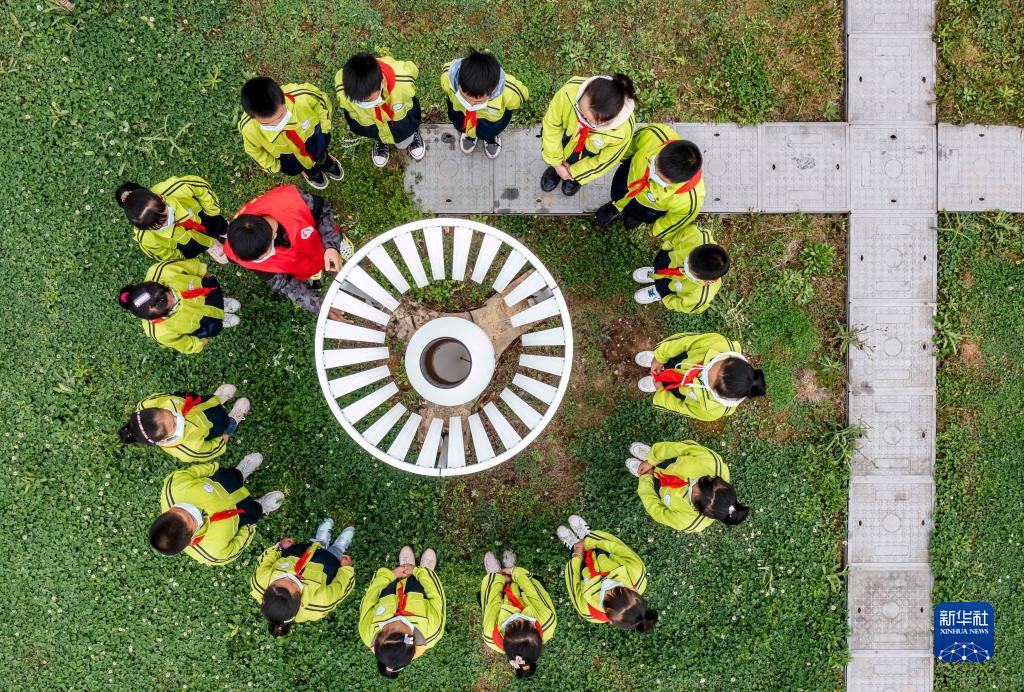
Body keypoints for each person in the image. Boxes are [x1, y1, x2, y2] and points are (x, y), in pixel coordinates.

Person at [224, 184, 354, 313]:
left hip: (315, 237)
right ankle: (313, 269)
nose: (262, 263)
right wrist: (321, 307)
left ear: (274, 236)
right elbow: (286, 286)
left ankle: (337, 244)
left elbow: (323, 212)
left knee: (328, 239)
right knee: (308, 266)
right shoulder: (241, 251)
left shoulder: (295, 201)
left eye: (264, 256)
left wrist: (331, 245)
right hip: (298, 263)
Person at [151, 454, 284, 566]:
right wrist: (249, 527)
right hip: (238, 516)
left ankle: (240, 473)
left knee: (231, 477)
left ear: (166, 512)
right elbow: (237, 545)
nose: (192, 508)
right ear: (191, 540)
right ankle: (260, 506)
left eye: (180, 508)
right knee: (253, 512)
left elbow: (192, 473)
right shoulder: (214, 553)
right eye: (192, 517)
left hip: (220, 485)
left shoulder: (173, 488)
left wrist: (213, 468)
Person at [594, 124, 705, 240]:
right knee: (617, 196)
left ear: (681, 181)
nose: (653, 175)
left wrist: (657, 231)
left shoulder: (689, 201)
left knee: (632, 220)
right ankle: (614, 207)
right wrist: (623, 155)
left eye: (661, 179)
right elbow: (631, 143)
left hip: (644, 210)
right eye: (654, 164)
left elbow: (673, 221)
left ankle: (630, 220)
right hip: (625, 180)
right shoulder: (653, 135)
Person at [250, 518, 357, 637]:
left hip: (296, 555)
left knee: (313, 547)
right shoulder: (319, 603)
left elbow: (265, 561)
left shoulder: (259, 583)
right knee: (333, 554)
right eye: (293, 584)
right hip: (325, 567)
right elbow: (341, 588)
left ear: (264, 594)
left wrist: (279, 547)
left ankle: (321, 541)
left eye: (277, 581)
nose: (288, 576)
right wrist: (346, 570)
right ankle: (339, 547)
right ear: (300, 603)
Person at [238, 77, 343, 190]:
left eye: (281, 116)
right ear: (253, 117)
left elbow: (321, 103)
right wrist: (274, 166)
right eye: (268, 124)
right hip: (288, 158)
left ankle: (326, 162)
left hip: (313, 137)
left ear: (283, 98)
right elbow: (254, 151)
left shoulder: (302, 96)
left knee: (321, 153)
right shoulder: (248, 129)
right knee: (300, 166)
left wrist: (324, 128)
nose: (278, 124)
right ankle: (311, 172)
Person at [540, 74, 636, 196]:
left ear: (608, 121)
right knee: (557, 154)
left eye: (588, 120)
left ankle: (574, 180)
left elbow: (604, 161)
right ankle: (555, 170)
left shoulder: (623, 131)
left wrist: (574, 173)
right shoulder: (569, 91)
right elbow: (551, 126)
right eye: (580, 109)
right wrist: (556, 164)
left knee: (576, 174)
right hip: (565, 137)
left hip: (588, 155)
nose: (581, 118)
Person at [118, 257, 240, 354]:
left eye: (170, 292)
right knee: (214, 325)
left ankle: (222, 304)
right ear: (158, 318)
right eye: (172, 307)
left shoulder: (162, 270)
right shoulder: (159, 332)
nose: (177, 300)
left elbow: (190, 266)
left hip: (205, 295)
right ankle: (221, 319)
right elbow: (180, 343)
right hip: (201, 322)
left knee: (215, 299)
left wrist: (205, 274)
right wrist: (198, 344)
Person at [557, 515, 657, 632]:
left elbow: (572, 580)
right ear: (634, 591)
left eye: (605, 595)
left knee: (577, 552)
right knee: (593, 540)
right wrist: (588, 541)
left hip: (582, 564)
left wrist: (577, 555)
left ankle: (574, 545)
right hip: (600, 549)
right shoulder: (637, 573)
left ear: (609, 618)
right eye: (616, 588)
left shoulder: (589, 611)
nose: (605, 582)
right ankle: (585, 535)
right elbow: (617, 547)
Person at [634, 332, 766, 421]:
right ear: (729, 359)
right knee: (666, 358)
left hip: (680, 388)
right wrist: (660, 357)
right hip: (681, 359)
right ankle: (658, 363)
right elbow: (683, 342)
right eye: (713, 364)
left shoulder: (713, 410)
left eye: (707, 379)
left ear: (717, 393)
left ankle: (659, 381)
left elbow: (681, 408)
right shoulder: (720, 344)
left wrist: (661, 391)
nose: (703, 372)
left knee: (667, 388)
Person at [359, 545, 445, 678]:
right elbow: (436, 596)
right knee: (424, 578)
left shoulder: (367, 633)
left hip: (389, 592)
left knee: (397, 578)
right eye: (402, 627)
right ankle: (425, 569)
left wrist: (391, 575)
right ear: (412, 639)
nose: (397, 619)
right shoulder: (432, 631)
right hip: (418, 592)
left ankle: (405, 568)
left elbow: (369, 598)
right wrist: (419, 573)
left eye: (385, 629)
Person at [625, 441, 749, 532]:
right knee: (661, 457)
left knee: (652, 481)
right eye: (699, 481)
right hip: (671, 462)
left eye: (692, 492)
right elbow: (680, 448)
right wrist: (652, 459)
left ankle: (648, 473)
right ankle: (650, 455)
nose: (691, 485)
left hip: (660, 488)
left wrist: (646, 480)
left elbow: (656, 510)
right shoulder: (712, 463)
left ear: (698, 507)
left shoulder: (688, 521)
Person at [334, 52, 424, 168]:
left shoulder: (402, 81)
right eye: (358, 101)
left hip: (400, 120)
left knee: (404, 137)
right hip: (371, 125)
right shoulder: (342, 88)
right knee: (375, 133)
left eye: (369, 99)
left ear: (382, 83)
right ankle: (381, 140)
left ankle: (411, 136)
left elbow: (413, 70)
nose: (364, 104)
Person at [119, 385, 249, 464]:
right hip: (213, 426)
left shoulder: (145, 405)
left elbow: (165, 395)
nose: (178, 416)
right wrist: (224, 437)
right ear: (164, 440)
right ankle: (231, 422)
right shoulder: (188, 450)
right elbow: (211, 449)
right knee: (223, 423)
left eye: (168, 412)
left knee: (207, 402)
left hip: (194, 403)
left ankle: (216, 399)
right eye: (174, 424)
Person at [479, 550, 557, 678]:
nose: (519, 617)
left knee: (484, 595)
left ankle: (495, 573)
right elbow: (532, 589)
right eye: (526, 623)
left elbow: (491, 599)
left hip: (501, 600)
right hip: (524, 593)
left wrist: (499, 577)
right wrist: (514, 573)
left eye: (512, 624)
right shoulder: (547, 620)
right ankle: (510, 567)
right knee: (537, 581)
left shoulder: (490, 633)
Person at [115, 177, 228, 263]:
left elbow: (200, 187)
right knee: (199, 244)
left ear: (159, 197)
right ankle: (211, 245)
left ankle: (225, 230)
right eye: (158, 225)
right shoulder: (145, 238)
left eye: (164, 215)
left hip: (200, 215)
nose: (167, 222)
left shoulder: (176, 188)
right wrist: (182, 256)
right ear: (144, 228)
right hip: (187, 242)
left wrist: (212, 211)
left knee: (216, 224)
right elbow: (163, 254)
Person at [441, 49, 529, 159]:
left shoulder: (508, 91)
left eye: (478, 101)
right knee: (462, 126)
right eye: (464, 96)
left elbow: (521, 96)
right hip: (461, 114)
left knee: (489, 131)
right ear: (458, 81)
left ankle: (491, 138)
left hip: (490, 121)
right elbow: (445, 74)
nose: (470, 105)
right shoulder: (449, 77)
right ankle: (469, 136)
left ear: (494, 89)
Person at [632, 224, 728, 312]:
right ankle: (655, 273)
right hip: (669, 260)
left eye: (690, 269)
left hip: (674, 285)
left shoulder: (700, 296)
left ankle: (657, 290)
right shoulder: (696, 235)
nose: (686, 263)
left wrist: (666, 297)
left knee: (663, 287)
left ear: (703, 278)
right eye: (689, 258)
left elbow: (682, 305)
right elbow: (677, 236)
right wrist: (666, 247)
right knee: (660, 267)